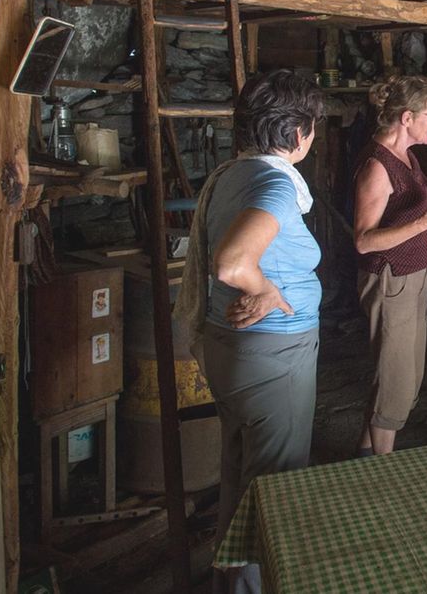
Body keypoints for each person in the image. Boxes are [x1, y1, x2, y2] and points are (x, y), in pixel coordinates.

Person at [178, 70, 324, 573]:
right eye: (312, 126)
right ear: (297, 131)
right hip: (272, 359)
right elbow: (232, 263)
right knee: (274, 495)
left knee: (241, 485)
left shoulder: (232, 173)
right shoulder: (273, 182)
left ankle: (232, 581)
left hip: (236, 351)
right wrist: (265, 288)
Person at [352, 75, 427, 456]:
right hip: (391, 280)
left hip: (416, 276)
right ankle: (384, 472)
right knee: (396, 381)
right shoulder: (377, 167)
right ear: (407, 118)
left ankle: (365, 453)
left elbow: (412, 213)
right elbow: (364, 240)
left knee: (405, 377)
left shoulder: (407, 157)